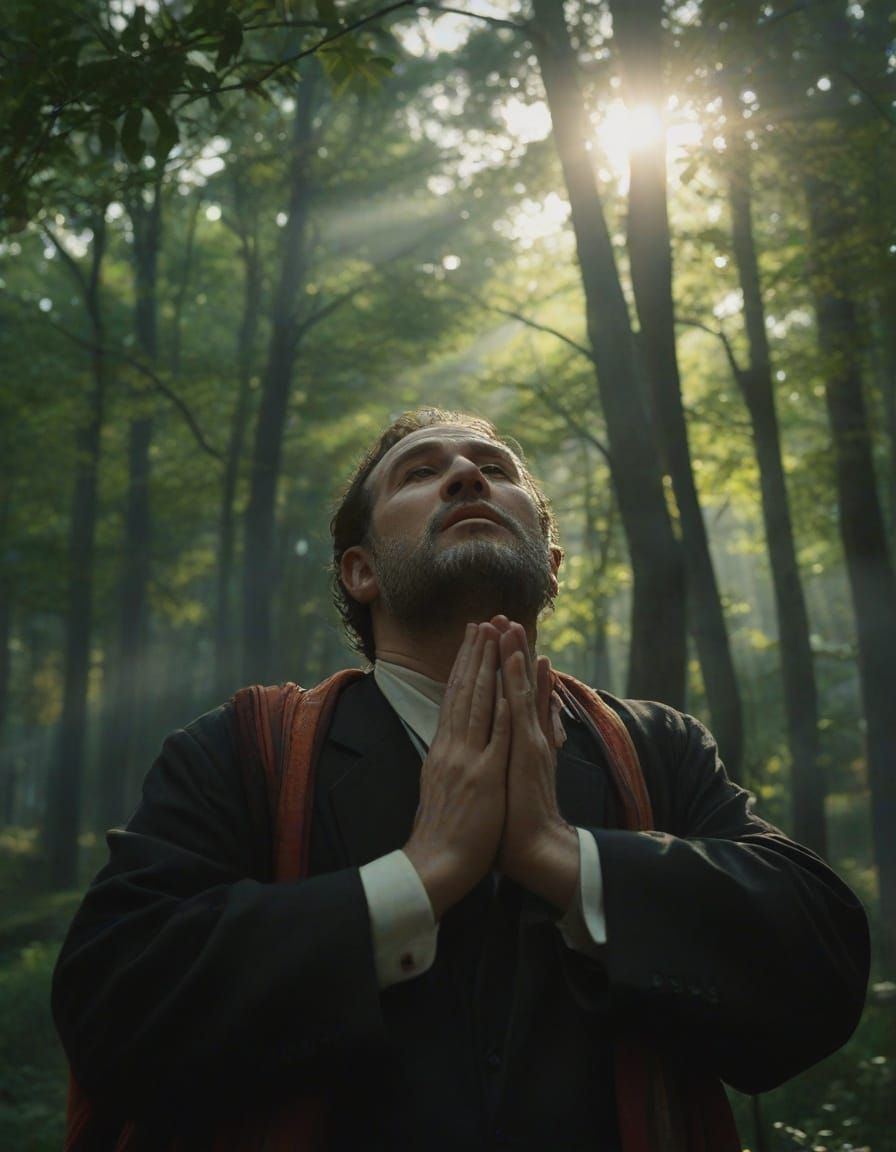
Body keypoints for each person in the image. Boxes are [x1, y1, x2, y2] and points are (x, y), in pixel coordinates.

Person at [53, 408, 870, 1150]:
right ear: (360, 572)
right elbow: (112, 1001)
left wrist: (560, 855)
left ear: (549, 566)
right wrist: (417, 878)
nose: (468, 475)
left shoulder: (658, 748)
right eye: (419, 472)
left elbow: (821, 967)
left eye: (496, 468)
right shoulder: (241, 750)